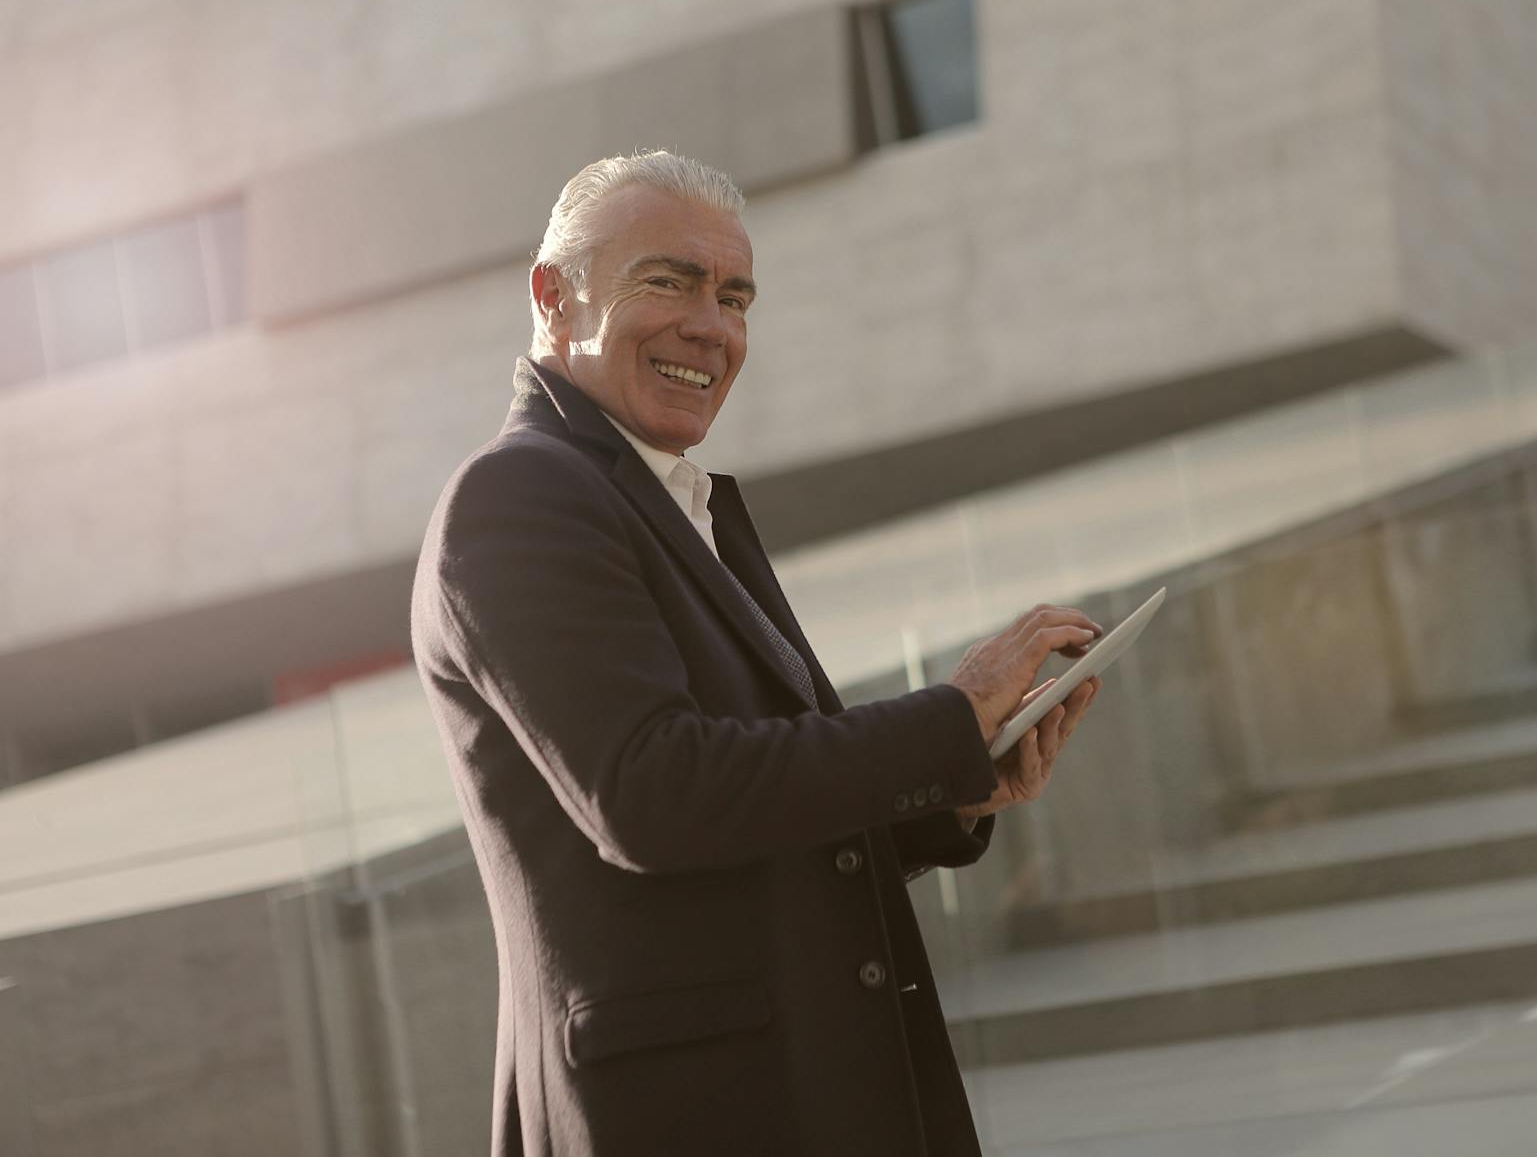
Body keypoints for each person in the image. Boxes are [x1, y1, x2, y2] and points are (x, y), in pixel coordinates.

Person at [410, 150, 1102, 1155]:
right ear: (554, 296)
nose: (713, 327)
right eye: (669, 281)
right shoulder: (519, 497)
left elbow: (749, 815)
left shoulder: (670, 504)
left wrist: (951, 791)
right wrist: (946, 717)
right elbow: (655, 793)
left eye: (735, 296)